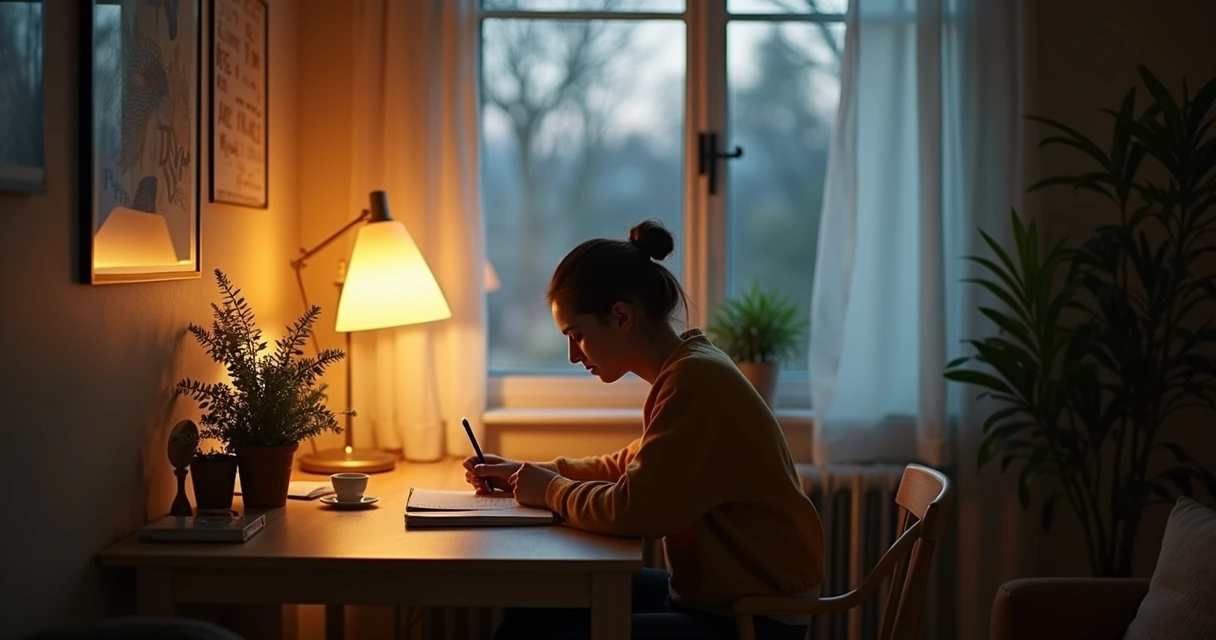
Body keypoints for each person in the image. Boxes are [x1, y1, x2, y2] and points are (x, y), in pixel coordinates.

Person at [465, 220, 824, 640]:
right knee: (529, 619)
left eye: (576, 336)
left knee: (533, 635)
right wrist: (526, 473)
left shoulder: (696, 385)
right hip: (719, 599)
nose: (572, 355)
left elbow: (633, 509)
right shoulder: (688, 369)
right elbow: (633, 465)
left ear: (621, 317)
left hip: (752, 618)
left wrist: (551, 490)